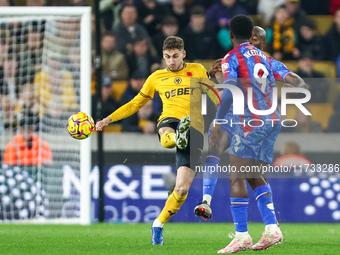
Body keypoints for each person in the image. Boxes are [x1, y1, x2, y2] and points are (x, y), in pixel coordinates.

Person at [96, 36, 218, 245]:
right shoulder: (156, 78)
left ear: (183, 54)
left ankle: (158, 224)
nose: (171, 61)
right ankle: (175, 137)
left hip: (195, 129)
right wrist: (108, 119)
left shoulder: (197, 70)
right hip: (170, 120)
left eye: (175, 56)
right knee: (166, 130)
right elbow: (135, 104)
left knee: (181, 189)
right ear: (163, 55)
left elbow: (214, 95)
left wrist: (221, 119)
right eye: (168, 57)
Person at [195, 25, 306, 223]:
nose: (251, 41)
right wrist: (213, 77)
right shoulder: (256, 61)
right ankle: (206, 201)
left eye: (256, 38)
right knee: (214, 148)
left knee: (254, 174)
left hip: (250, 120)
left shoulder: (245, 58)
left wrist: (296, 84)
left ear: (263, 43)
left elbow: (229, 90)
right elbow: (225, 90)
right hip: (239, 117)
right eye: (250, 37)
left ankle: (268, 224)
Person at [204, 16, 286, 253]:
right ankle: (272, 228)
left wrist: (218, 120)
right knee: (252, 174)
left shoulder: (235, 57)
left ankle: (242, 234)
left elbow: (231, 93)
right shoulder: (263, 59)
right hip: (261, 121)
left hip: (246, 122)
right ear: (251, 35)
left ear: (230, 35)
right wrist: (215, 78)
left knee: (237, 175)